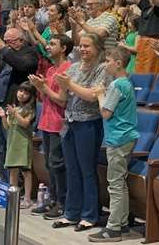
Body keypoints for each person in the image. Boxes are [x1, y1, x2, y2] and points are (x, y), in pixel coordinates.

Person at [50, 33, 109, 232]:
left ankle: (89, 214)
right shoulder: (74, 67)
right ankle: (71, 213)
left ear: (97, 48)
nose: (83, 50)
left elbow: (92, 96)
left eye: (87, 46)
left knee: (87, 170)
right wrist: (57, 86)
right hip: (70, 122)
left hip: (89, 123)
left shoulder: (102, 69)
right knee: (71, 169)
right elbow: (65, 96)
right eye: (81, 46)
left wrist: (69, 84)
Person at [87, 47, 139, 243]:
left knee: (115, 185)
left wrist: (100, 94)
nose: (105, 64)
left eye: (108, 60)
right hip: (125, 136)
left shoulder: (118, 85)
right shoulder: (126, 83)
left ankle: (113, 229)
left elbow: (106, 112)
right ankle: (122, 224)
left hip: (118, 138)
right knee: (120, 184)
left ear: (118, 63)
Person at [0, 28, 39, 181]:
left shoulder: (29, 52)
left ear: (21, 40)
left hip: (16, 106)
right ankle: (4, 179)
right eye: (5, 41)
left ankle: (15, 184)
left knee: (12, 146)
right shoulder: (4, 52)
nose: (6, 44)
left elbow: (23, 66)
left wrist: (3, 48)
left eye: (10, 41)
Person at [28, 34, 74, 219]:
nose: (48, 46)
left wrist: (44, 88)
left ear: (63, 48)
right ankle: (52, 199)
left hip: (58, 123)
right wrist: (39, 87)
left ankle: (62, 202)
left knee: (57, 164)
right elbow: (47, 96)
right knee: (49, 164)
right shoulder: (50, 69)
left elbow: (63, 101)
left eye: (53, 43)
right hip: (46, 121)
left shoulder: (67, 69)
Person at [0, 81, 36, 208]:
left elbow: (25, 123)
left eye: (26, 92)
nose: (22, 94)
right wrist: (2, 116)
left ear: (31, 96)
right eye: (20, 91)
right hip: (12, 143)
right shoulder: (14, 108)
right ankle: (12, 196)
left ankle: (27, 198)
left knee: (26, 171)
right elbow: (7, 127)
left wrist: (14, 113)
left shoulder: (30, 109)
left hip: (22, 144)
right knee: (13, 170)